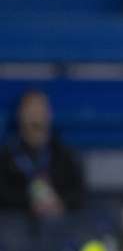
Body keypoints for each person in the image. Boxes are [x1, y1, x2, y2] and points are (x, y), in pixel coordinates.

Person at [0, 90, 84, 218]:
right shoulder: (6, 156)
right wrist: (29, 202)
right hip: (16, 223)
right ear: (20, 114)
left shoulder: (65, 155)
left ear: (49, 114)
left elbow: (79, 193)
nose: (35, 115)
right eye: (30, 109)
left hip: (59, 222)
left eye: (40, 108)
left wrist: (60, 202)